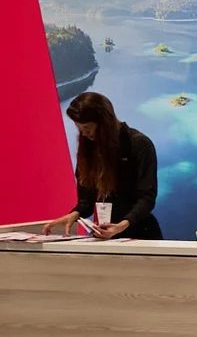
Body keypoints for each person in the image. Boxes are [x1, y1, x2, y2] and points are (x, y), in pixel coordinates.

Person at [66, 91, 160, 240]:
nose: (84, 134)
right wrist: (74, 215)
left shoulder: (139, 144)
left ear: (104, 123)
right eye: (80, 128)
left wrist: (121, 225)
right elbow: (86, 201)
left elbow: (146, 198)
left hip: (139, 234)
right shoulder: (88, 148)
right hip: (104, 235)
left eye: (88, 127)